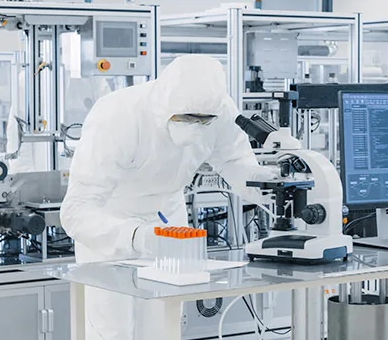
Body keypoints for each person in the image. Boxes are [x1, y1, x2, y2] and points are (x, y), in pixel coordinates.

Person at [61, 55, 275, 340]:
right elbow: (77, 211)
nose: (195, 127)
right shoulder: (117, 115)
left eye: (203, 121)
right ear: (163, 104)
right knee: (112, 329)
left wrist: (268, 185)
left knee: (163, 325)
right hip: (110, 224)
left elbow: (235, 162)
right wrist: (137, 237)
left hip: (168, 218)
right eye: (185, 118)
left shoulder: (220, 109)